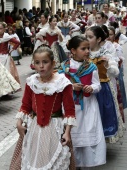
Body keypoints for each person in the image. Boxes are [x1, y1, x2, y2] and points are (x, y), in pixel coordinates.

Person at [10, 45, 77, 170]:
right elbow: (25, 105)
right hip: (34, 127)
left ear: (53, 63)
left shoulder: (62, 83)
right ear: (33, 64)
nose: (41, 66)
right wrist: (19, 123)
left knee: (55, 159)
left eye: (45, 62)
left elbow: (69, 110)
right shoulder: (31, 81)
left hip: (54, 127)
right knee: (32, 158)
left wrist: (67, 132)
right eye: (37, 62)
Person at [59, 35, 106, 169]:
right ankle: (71, 162)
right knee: (71, 132)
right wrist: (71, 87)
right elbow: (58, 84)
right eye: (83, 48)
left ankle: (82, 163)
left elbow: (98, 85)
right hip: (69, 106)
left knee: (86, 132)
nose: (87, 51)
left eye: (88, 48)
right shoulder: (64, 66)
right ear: (73, 50)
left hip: (88, 105)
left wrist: (91, 88)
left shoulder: (91, 67)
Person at [86, 26, 124, 143]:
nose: (87, 39)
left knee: (103, 115)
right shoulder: (83, 52)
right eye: (86, 37)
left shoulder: (105, 53)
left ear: (98, 39)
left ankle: (100, 143)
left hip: (103, 90)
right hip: (87, 91)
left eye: (90, 37)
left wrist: (108, 65)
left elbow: (115, 72)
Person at [108, 26, 127, 119]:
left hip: (115, 74)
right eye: (106, 34)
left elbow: (120, 62)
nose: (108, 36)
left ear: (114, 35)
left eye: (110, 34)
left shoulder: (116, 46)